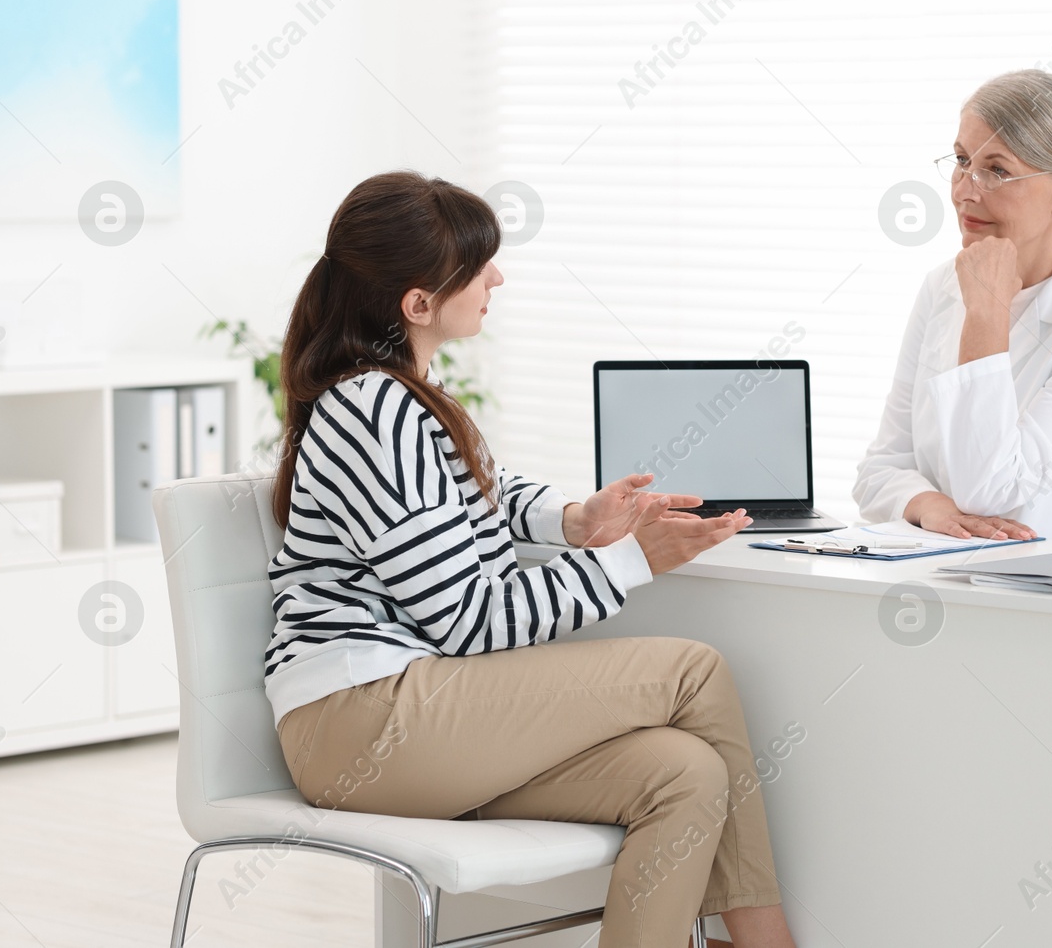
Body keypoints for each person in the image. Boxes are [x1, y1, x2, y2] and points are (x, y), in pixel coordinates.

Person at [265, 171, 797, 948]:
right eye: (480, 265)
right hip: (360, 717)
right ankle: (766, 942)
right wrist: (629, 562)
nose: (497, 278)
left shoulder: (405, 395)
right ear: (417, 303)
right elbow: (465, 618)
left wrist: (579, 518)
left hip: (413, 717)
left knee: (685, 773)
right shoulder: (373, 408)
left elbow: (482, 489)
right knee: (694, 671)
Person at [854, 69, 1052, 546]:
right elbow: (879, 471)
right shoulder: (943, 286)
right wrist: (929, 505)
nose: (964, 190)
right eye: (961, 160)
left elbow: (991, 490)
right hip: (949, 576)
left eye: (997, 170)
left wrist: (987, 314)